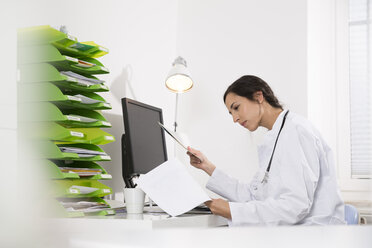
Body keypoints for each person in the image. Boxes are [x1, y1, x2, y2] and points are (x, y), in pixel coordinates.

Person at [187, 75, 345, 226]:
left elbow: (295, 206)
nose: (234, 118)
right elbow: (254, 195)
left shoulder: (295, 131)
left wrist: (232, 210)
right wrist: (207, 166)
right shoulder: (276, 138)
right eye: (231, 113)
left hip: (316, 235)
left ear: (258, 97)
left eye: (236, 108)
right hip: (294, 233)